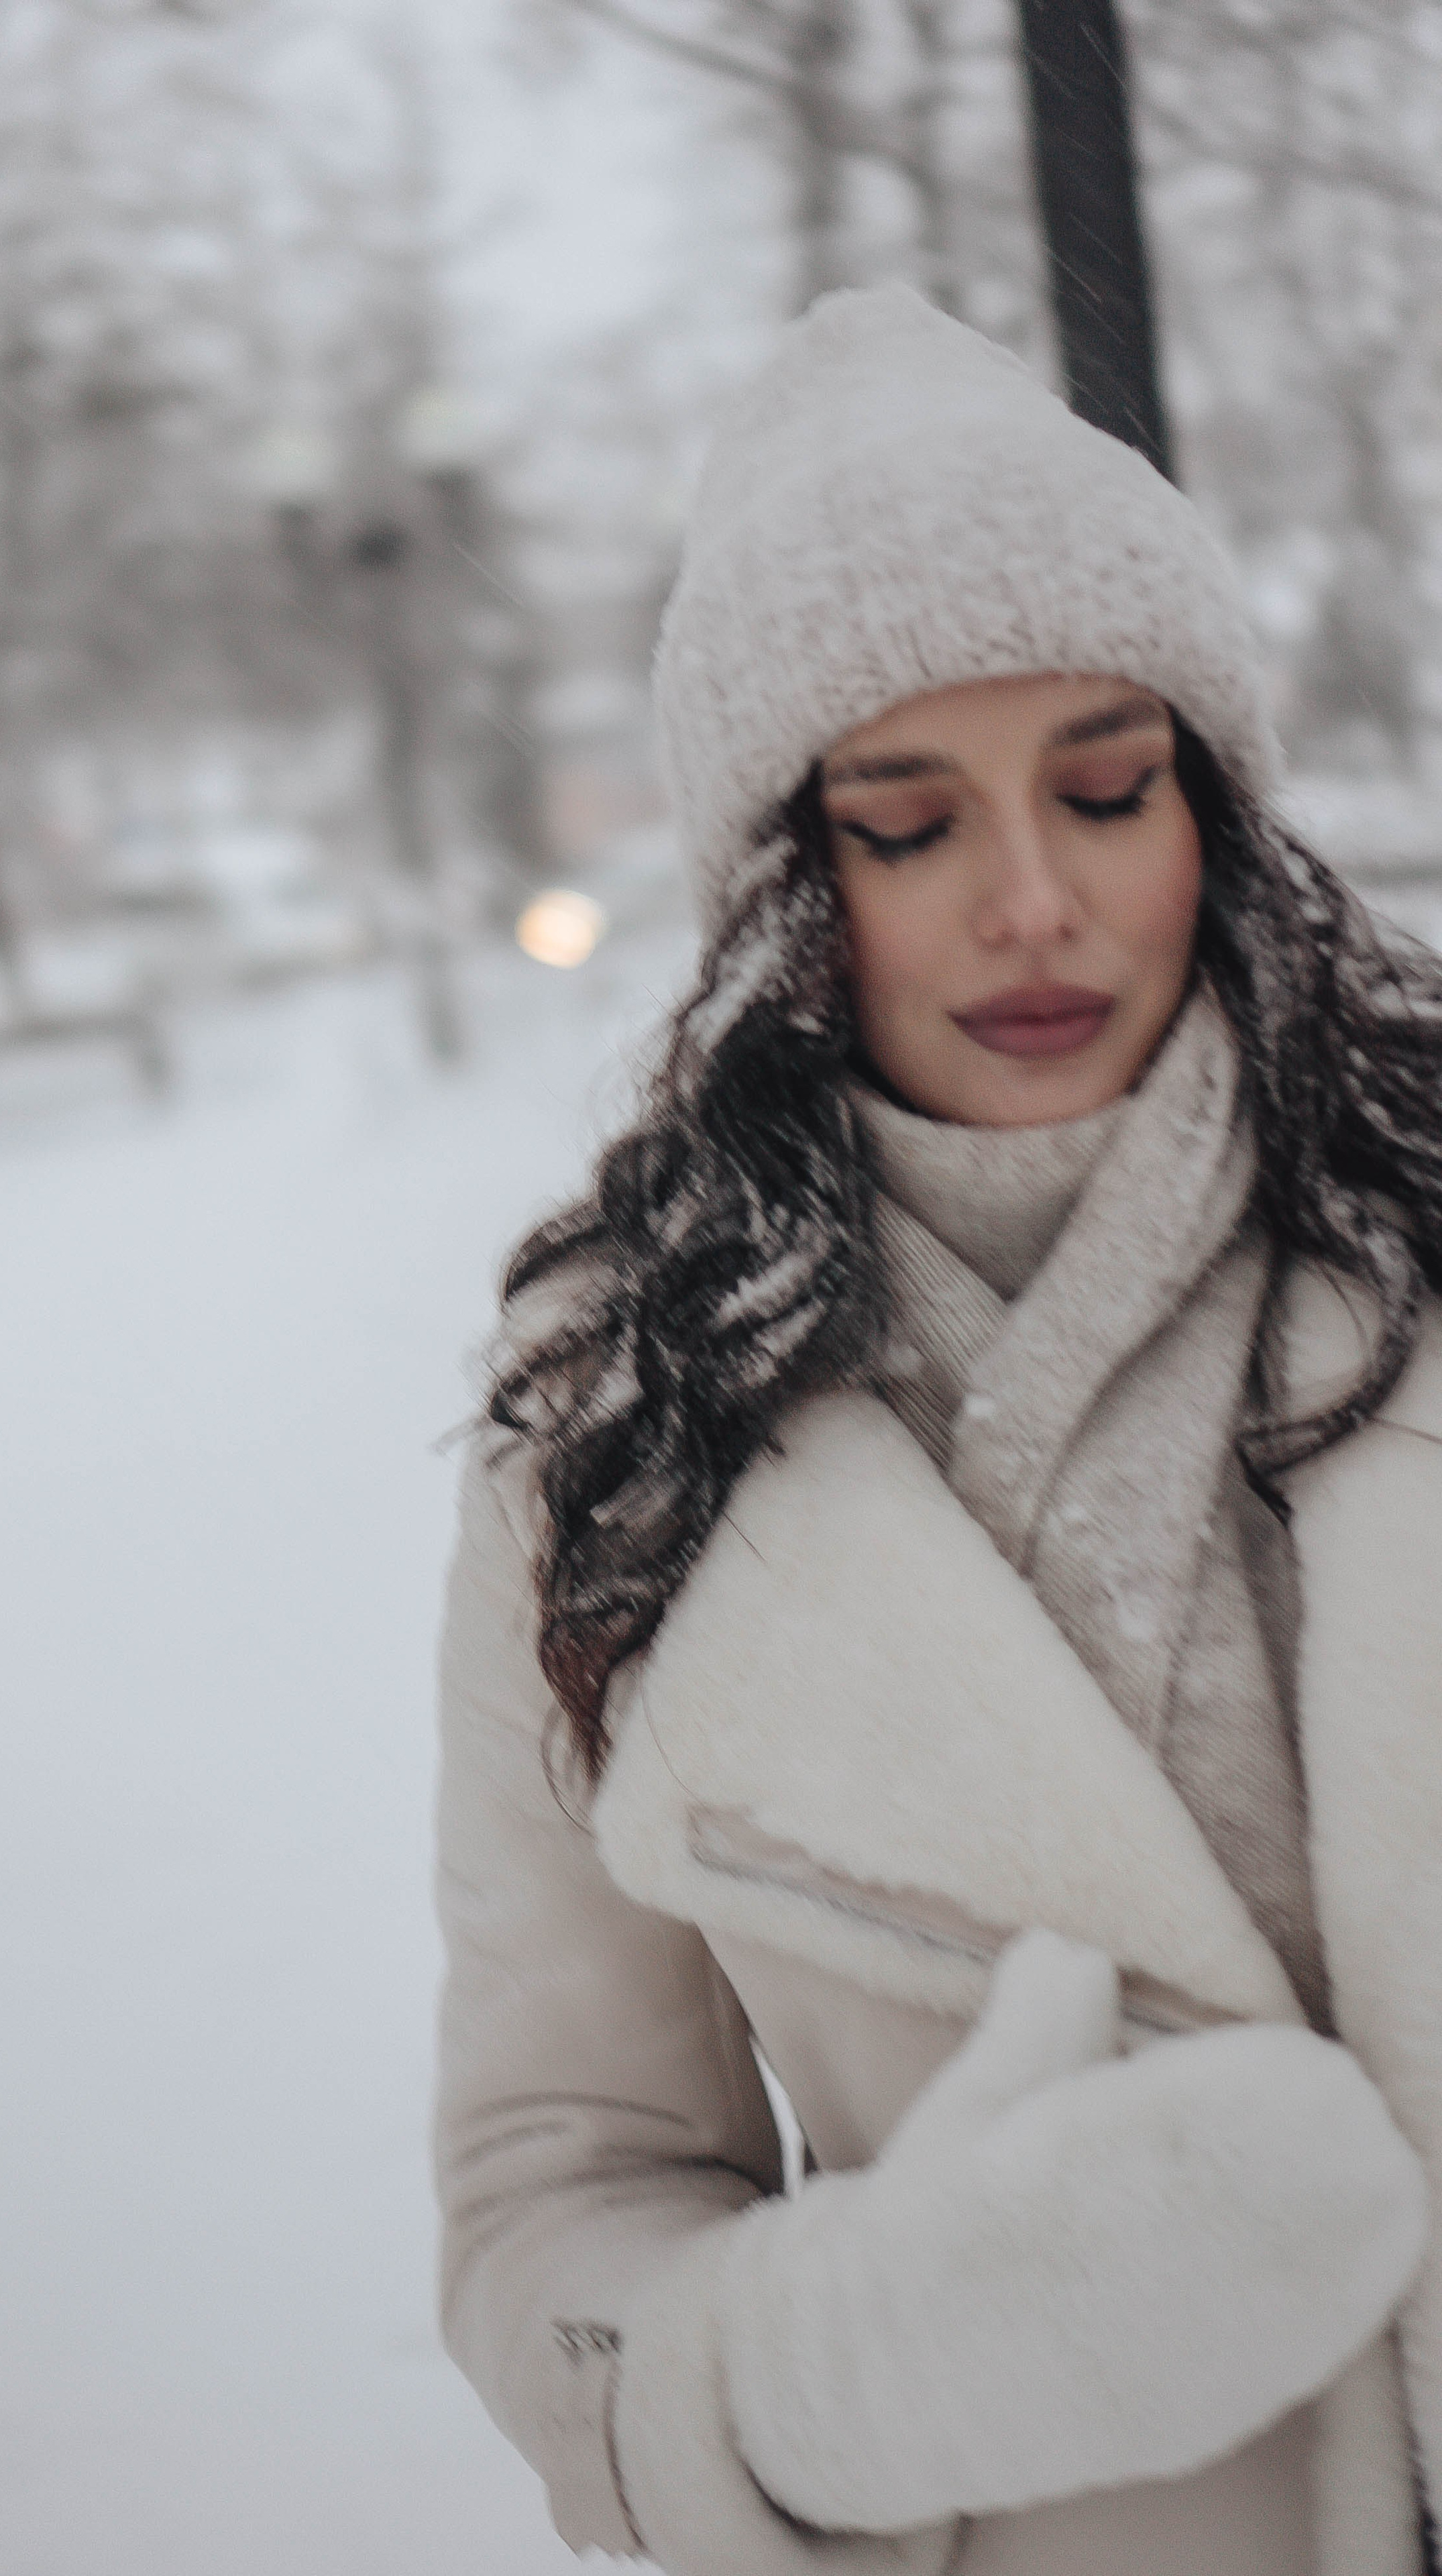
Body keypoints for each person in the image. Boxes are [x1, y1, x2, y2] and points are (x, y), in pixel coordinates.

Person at [432, 286, 1442, 2576]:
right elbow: (556, 2194)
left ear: (1216, 804)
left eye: (1110, 785)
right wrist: (842, 2369)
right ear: (794, 890)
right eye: (909, 824)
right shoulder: (617, 1451)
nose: (1033, 901)